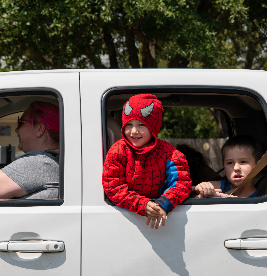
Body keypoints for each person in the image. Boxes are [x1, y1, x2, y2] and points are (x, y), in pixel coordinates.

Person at [102, 94, 192, 229]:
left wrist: (164, 203)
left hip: (161, 218)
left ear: (153, 127)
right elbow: (113, 187)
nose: (134, 131)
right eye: (129, 124)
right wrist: (142, 204)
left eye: (141, 125)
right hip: (124, 219)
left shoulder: (169, 153)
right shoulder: (118, 150)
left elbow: (182, 182)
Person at [194, 135, 264, 198]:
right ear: (223, 166)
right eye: (230, 163)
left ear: (257, 165)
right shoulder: (214, 187)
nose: (236, 168)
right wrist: (200, 190)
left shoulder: (262, 199)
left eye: (243, 162)